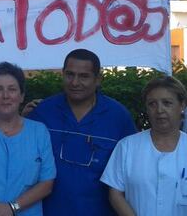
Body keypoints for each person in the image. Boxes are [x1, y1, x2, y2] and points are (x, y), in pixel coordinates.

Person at [27, 48, 137, 216]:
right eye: (70, 74)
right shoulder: (43, 112)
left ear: (98, 79)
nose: (75, 82)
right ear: (62, 74)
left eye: (84, 76)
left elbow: (132, 173)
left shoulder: (118, 117)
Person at [0, 62, 56, 215]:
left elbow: (47, 183)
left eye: (12, 89)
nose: (5, 96)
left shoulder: (39, 132)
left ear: (22, 96)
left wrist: (12, 208)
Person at [101, 76, 187, 215]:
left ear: (182, 105)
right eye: (152, 104)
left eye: (167, 103)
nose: (159, 110)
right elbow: (115, 194)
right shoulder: (127, 146)